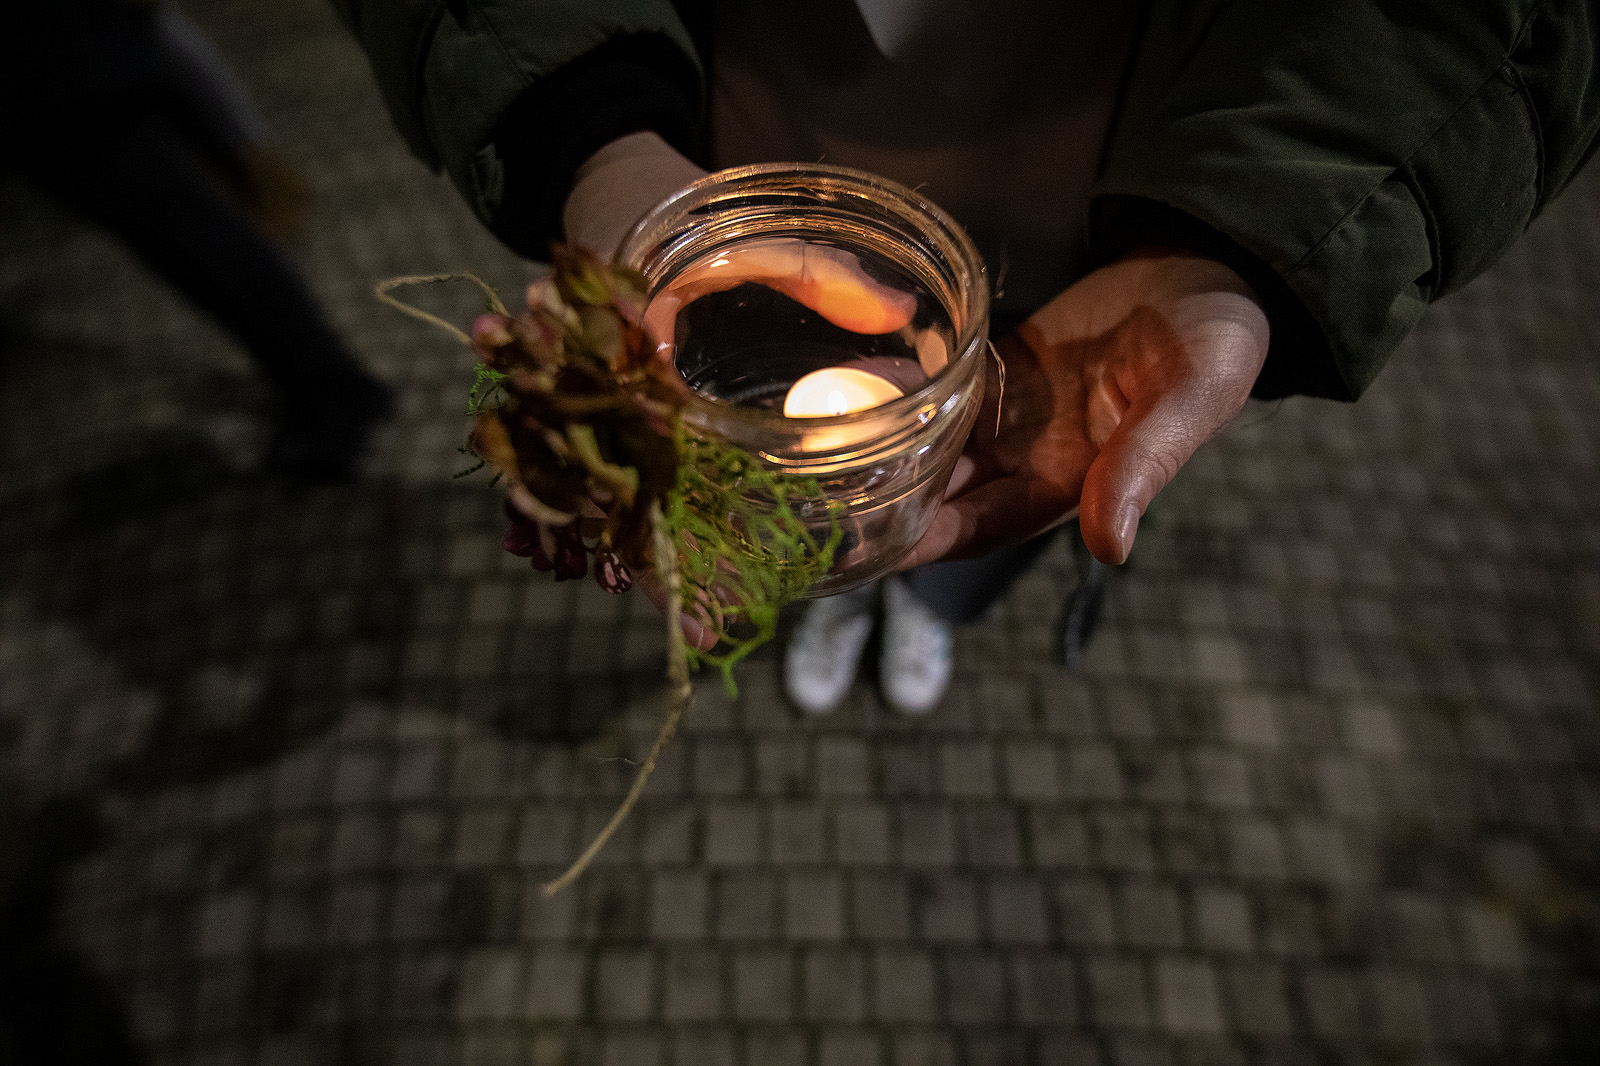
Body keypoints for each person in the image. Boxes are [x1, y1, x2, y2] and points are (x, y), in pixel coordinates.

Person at [333, 0, 1598, 706]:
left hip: (1113, 201)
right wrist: (605, 146)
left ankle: (924, 602)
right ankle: (851, 600)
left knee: (997, 474)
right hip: (741, 168)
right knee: (866, 494)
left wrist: (1248, 243)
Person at [0, 0, 394, 480]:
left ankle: (332, 389)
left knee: (205, 246)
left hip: (75, 88)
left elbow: (155, 24)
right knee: (192, 247)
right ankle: (320, 383)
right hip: (64, 88)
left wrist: (246, 139)